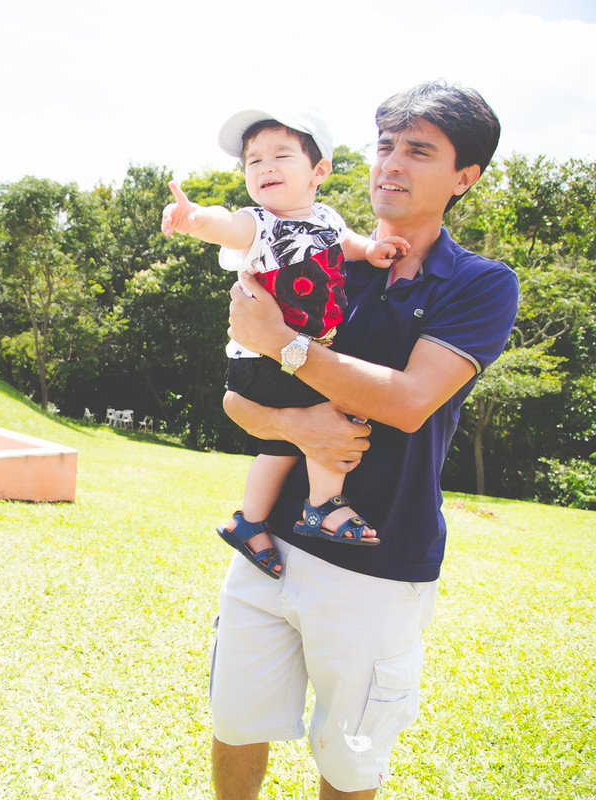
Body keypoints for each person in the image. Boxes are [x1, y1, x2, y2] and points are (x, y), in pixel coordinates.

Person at [211, 82, 518, 799]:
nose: (391, 164)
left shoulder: (479, 284)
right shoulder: (318, 251)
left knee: (346, 764)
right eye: (385, 144)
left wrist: (286, 345)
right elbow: (235, 398)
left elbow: (410, 402)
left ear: (464, 177)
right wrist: (293, 423)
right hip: (268, 548)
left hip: (377, 562)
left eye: (419, 150)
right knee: (235, 723)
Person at [161, 107, 409, 580]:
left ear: (319, 171)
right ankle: (322, 505)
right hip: (262, 358)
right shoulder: (259, 224)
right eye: (253, 161)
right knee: (336, 408)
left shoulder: (327, 218)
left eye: (281, 155)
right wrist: (194, 219)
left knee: (281, 447)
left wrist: (372, 251)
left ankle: (249, 521)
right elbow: (224, 225)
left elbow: (349, 241)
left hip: (284, 356)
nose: (265, 167)